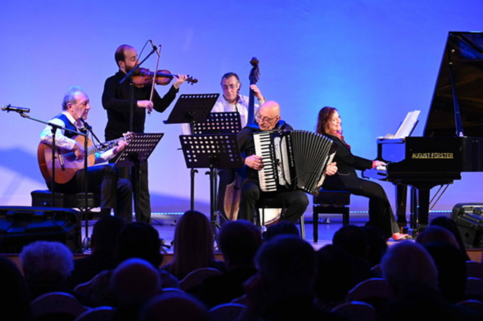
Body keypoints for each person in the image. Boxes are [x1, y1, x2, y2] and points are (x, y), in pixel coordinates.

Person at [102, 44, 188, 223]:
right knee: (122, 186)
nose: (138, 62)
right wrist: (137, 104)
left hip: (138, 138)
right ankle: (122, 228)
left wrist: (175, 87)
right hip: (117, 140)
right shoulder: (112, 82)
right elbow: (108, 102)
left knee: (141, 186)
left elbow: (161, 106)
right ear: (121, 64)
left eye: (137, 58)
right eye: (133, 59)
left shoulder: (144, 84)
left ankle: (144, 228)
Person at [40, 86, 132, 220]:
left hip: (77, 176)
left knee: (124, 185)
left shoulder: (81, 127)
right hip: (63, 179)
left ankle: (123, 229)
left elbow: (91, 159)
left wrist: (114, 151)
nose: (89, 107)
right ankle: (106, 221)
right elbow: (46, 135)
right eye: (85, 103)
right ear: (70, 106)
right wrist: (74, 145)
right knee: (109, 170)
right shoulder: (60, 120)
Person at [316, 106, 409, 240]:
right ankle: (384, 230)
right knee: (377, 190)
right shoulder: (331, 140)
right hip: (340, 181)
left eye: (338, 118)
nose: (338, 121)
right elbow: (350, 160)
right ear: (326, 122)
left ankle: (380, 229)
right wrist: (372, 163)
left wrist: (371, 164)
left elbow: (349, 159)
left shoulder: (334, 137)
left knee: (377, 192)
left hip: (343, 178)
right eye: (333, 120)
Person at [237, 101, 337, 224]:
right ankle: (245, 234)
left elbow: (302, 160)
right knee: (248, 192)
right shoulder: (248, 132)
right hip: (256, 184)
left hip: (283, 188)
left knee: (301, 200)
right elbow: (227, 155)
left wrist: (324, 167)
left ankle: (278, 232)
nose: (261, 122)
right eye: (259, 116)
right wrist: (245, 160)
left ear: (277, 118)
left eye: (267, 119)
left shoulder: (287, 130)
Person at [212, 72, 265, 221]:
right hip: (227, 153)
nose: (229, 90)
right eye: (225, 87)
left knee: (251, 180)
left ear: (239, 86)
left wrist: (260, 97)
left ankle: (249, 220)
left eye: (232, 86)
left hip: (246, 152)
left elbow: (264, 114)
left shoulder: (248, 102)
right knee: (226, 179)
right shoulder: (217, 107)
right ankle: (224, 221)